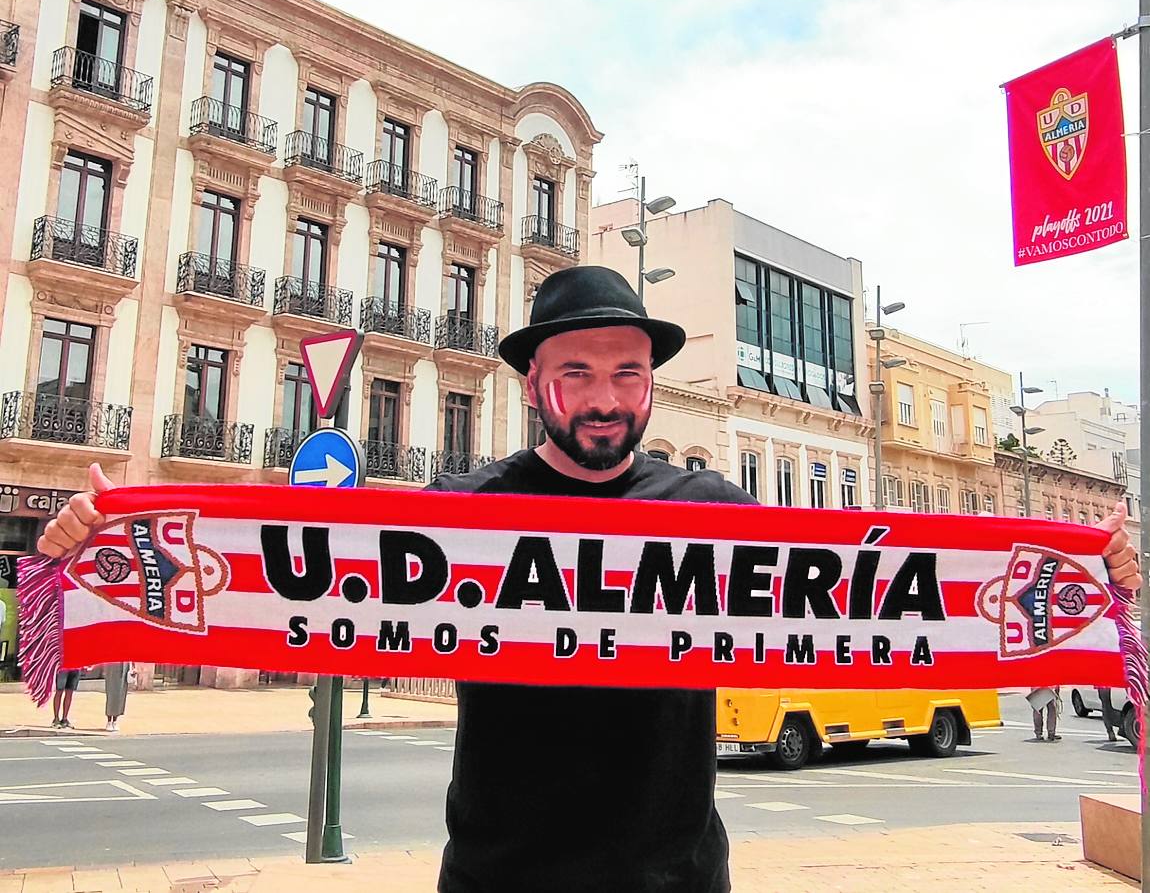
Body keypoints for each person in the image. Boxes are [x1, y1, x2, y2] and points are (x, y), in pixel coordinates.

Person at [34, 265, 1144, 893]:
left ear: (651, 383)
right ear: (534, 385)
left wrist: (1098, 582)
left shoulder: (719, 517)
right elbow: (282, 568)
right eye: (577, 372)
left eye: (628, 371)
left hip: (677, 882)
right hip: (498, 882)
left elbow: (891, 586)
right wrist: (88, 547)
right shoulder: (463, 515)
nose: (607, 396)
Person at [104, 662, 133, 732]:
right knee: (111, 693)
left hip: (124, 664)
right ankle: (109, 721)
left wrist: (133, 666)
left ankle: (115, 720)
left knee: (120, 694)